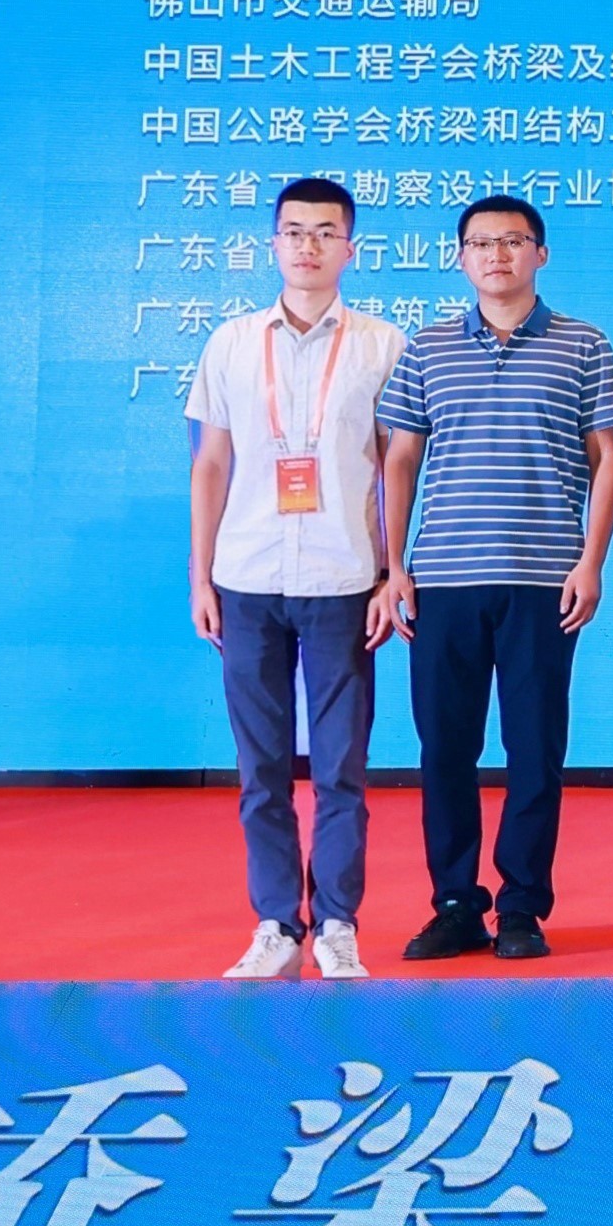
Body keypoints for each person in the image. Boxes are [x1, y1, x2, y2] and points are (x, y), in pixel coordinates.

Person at [373, 194, 613, 964]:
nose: (497, 255)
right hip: (444, 580)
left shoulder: (584, 344)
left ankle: (521, 906)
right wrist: (393, 568)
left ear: (540, 254)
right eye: (481, 243)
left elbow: (608, 461)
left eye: (513, 241)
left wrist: (591, 561)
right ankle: (454, 904)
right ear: (461, 258)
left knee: (534, 750)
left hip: (544, 581)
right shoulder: (427, 348)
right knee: (444, 750)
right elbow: (400, 459)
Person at [186, 176, 403, 982]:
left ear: (351, 248)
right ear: (273, 244)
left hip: (344, 579)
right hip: (246, 578)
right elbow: (211, 463)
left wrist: (392, 573)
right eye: (294, 231)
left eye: (325, 232)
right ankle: (276, 924)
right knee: (261, 771)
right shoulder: (231, 343)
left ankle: (337, 923)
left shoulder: (383, 345)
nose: (308, 245)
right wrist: (200, 575)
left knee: (341, 768)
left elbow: (396, 469)